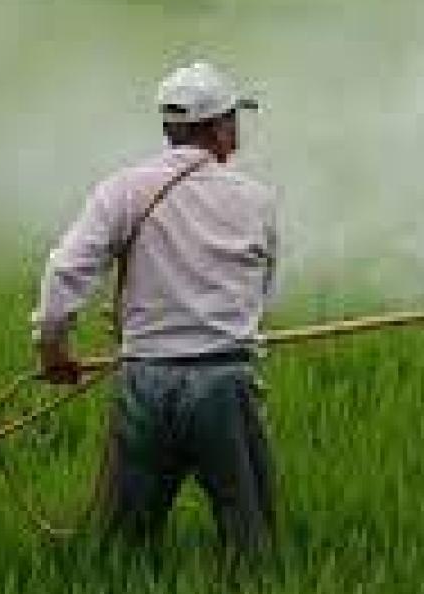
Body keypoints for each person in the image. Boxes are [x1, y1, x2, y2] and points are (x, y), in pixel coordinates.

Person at [31, 61, 279, 558]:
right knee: (251, 541)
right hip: (223, 383)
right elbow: (260, 287)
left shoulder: (124, 189)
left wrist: (52, 348)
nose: (237, 129)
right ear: (219, 127)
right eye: (234, 119)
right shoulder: (256, 200)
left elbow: (66, 272)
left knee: (123, 544)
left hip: (146, 382)